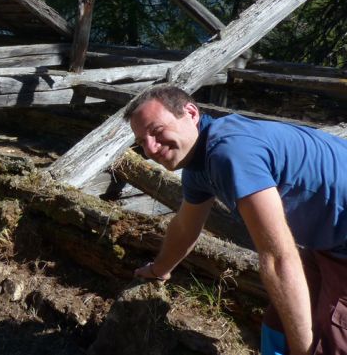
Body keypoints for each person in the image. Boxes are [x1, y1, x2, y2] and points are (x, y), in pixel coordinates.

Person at [125, 85, 347, 355]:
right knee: (278, 327)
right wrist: (159, 269)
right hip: (328, 237)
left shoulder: (229, 152)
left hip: (341, 242)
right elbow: (185, 227)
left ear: (191, 113)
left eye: (157, 131)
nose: (150, 149)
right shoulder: (198, 163)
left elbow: (278, 258)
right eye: (141, 142)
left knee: (334, 341)